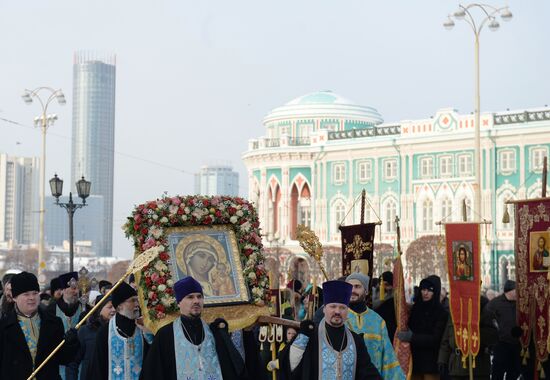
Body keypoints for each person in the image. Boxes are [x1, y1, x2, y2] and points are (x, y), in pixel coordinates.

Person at [140, 276, 261, 379]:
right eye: (190, 297)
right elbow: (153, 373)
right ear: (179, 302)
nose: (196, 301)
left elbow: (233, 370)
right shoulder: (166, 335)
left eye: (199, 296)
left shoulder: (214, 332)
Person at [279, 280, 382, 379]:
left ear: (347, 311)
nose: (337, 311)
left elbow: (368, 373)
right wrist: (301, 338)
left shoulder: (356, 341)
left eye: (342, 307)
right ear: (324, 309)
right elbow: (290, 366)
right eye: (333, 306)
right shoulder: (311, 337)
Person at [0, 271, 79, 379]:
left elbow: (64, 359)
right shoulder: (4, 327)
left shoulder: (54, 323)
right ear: (14, 298)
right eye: (26, 294)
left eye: (35, 293)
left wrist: (70, 343)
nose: (31, 298)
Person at [86, 281, 153, 380]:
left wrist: (149, 335)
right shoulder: (105, 332)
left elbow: (152, 363)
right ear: (119, 305)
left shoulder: (142, 329)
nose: (137, 305)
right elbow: (98, 368)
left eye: (137, 300)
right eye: (132, 301)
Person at [345, 273, 404, 379]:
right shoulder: (339, 318)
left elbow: (387, 355)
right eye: (349, 287)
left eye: (357, 287)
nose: (352, 290)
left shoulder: (377, 320)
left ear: (366, 291)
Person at [397, 275, 448, 380]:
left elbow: (435, 339)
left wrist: (412, 338)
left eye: (429, 290)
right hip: (414, 362)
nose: (425, 293)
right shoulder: (416, 308)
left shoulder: (440, 312)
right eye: (423, 289)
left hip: (431, 363)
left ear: (436, 291)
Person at [438, 296, 498, 379]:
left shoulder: (484, 308)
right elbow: (447, 338)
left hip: (478, 367)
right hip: (457, 367)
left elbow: (493, 337)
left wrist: (474, 329)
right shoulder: (455, 310)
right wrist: (442, 360)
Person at [485, 280, 522, 380]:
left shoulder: (520, 303)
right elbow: (487, 321)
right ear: (510, 291)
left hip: (517, 345)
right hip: (501, 344)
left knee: (514, 371)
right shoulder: (495, 303)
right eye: (516, 290)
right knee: (498, 372)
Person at [73, 295, 115, 380]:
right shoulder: (85, 331)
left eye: (115, 307)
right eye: (110, 307)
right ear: (99, 309)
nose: (114, 310)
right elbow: (74, 361)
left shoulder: (117, 330)